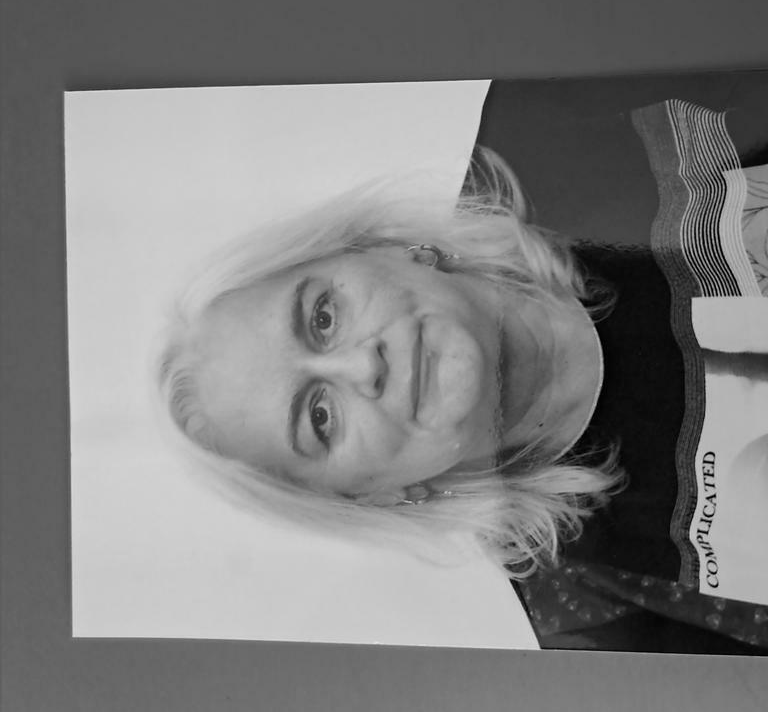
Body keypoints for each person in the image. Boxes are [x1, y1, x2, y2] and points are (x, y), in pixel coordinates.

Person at [157, 71, 768, 655]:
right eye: (319, 417)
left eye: (322, 317)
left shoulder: (582, 141)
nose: (362, 368)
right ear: (375, 495)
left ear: (387, 250)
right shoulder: (582, 597)